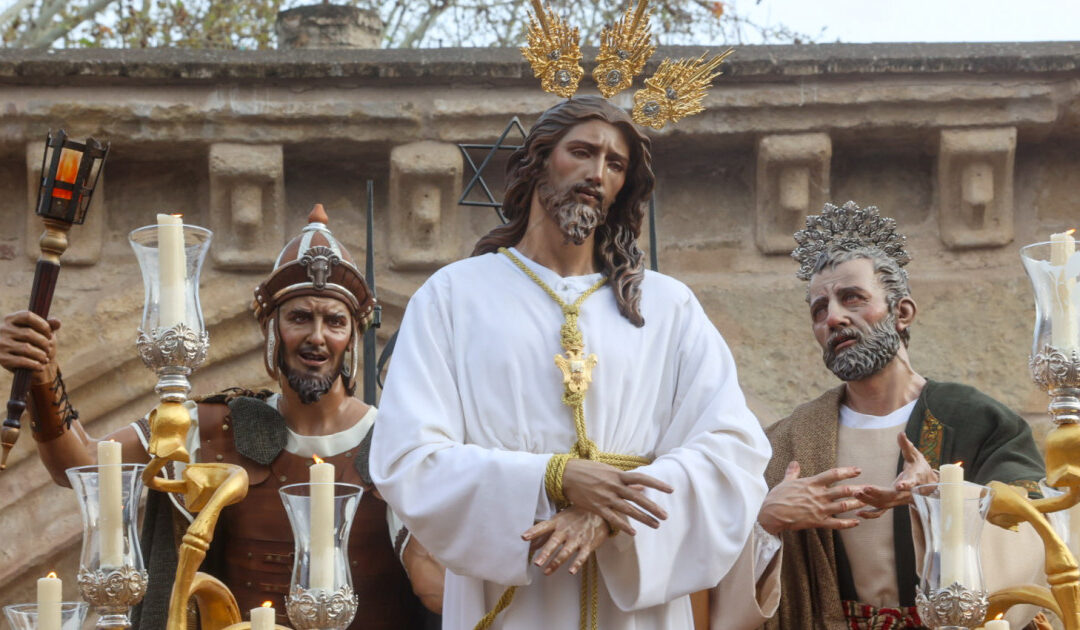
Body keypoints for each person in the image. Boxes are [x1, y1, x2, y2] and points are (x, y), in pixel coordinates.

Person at [370, 96, 781, 630]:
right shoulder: (453, 296)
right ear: (538, 161)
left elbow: (733, 451)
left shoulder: (668, 306)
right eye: (581, 152)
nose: (596, 173)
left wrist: (608, 515)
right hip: (512, 597)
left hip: (634, 598)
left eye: (615, 164)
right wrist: (551, 478)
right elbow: (408, 456)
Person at [0, 205, 430, 630]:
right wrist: (43, 377)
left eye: (334, 321)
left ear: (352, 337)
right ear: (272, 330)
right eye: (299, 317)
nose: (317, 336)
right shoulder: (213, 426)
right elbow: (79, 465)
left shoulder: (398, 442)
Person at [757, 201, 1046, 629]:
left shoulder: (974, 419)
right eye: (819, 309)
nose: (833, 317)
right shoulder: (786, 441)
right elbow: (716, 555)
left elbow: (1035, 525)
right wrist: (765, 521)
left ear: (902, 312)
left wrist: (941, 499)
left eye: (851, 298)